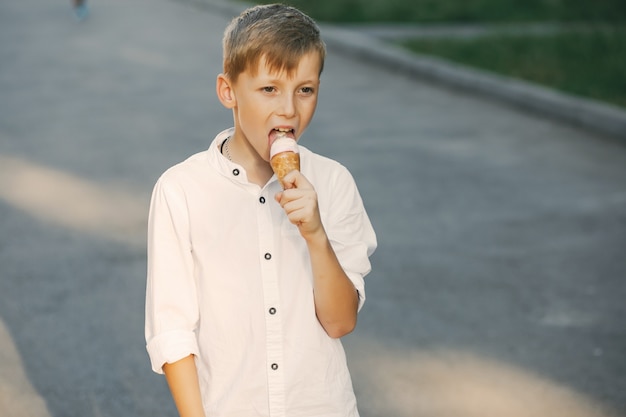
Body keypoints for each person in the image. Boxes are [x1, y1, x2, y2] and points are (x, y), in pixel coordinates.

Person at [144, 4, 377, 417]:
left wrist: (316, 235)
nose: (289, 108)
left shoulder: (333, 181)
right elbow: (173, 330)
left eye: (305, 89)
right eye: (270, 89)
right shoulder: (181, 190)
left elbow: (340, 323)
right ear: (228, 91)